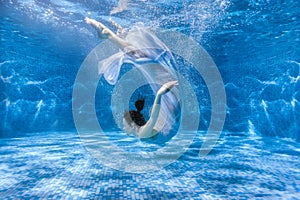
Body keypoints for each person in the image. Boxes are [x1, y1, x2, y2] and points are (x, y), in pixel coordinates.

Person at [85, 17, 180, 136]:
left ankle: (114, 36)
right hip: (169, 102)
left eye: (124, 125)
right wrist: (160, 94)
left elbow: (153, 119)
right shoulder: (144, 133)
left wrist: (160, 94)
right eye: (125, 124)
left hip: (170, 101)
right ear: (133, 124)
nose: (123, 128)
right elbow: (152, 119)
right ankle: (113, 36)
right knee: (145, 59)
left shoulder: (144, 134)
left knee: (145, 59)